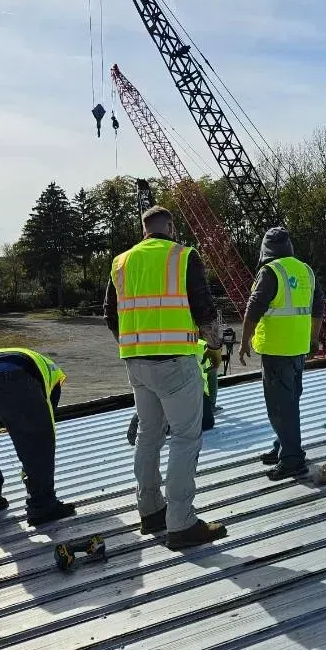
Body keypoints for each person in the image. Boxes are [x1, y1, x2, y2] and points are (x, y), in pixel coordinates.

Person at [104, 206, 226, 549]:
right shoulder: (183, 256)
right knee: (186, 438)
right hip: (175, 362)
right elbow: (204, 309)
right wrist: (214, 347)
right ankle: (181, 523)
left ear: (144, 229)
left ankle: (151, 512)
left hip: (136, 362)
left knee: (148, 435)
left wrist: (135, 346)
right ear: (170, 227)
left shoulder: (121, 262)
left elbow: (110, 315)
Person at [0, 348, 76, 525]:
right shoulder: (52, 377)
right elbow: (42, 433)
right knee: (39, 443)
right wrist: (31, 471)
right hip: (15, 376)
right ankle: (43, 506)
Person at [239, 227, 324, 481]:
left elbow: (253, 309)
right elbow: (318, 306)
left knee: (279, 407)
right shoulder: (305, 270)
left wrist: (244, 341)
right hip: (298, 349)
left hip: (276, 351)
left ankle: (292, 460)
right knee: (289, 402)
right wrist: (314, 338)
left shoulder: (270, 272)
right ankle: (284, 447)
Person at [125, 337, 216, 444]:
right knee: (207, 422)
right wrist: (212, 404)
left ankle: (150, 419)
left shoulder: (168, 341)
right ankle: (166, 427)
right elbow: (212, 378)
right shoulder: (204, 346)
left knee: (164, 403)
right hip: (194, 390)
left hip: (159, 381)